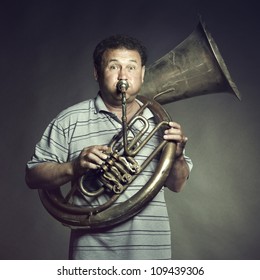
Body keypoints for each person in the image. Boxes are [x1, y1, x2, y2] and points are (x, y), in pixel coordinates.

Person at [25, 34, 193, 260]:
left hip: (152, 253)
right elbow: (33, 176)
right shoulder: (69, 119)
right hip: (91, 254)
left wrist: (177, 156)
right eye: (114, 66)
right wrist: (74, 167)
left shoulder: (159, 123)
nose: (123, 76)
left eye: (131, 67)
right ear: (97, 72)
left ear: (142, 74)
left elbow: (177, 185)